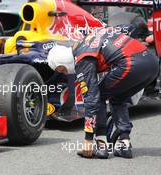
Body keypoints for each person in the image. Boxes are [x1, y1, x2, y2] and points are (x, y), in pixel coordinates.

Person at [47, 28, 159, 159]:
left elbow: (92, 99)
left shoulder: (82, 58)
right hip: (152, 63)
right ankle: (124, 144)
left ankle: (101, 145)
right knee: (118, 98)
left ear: (63, 61)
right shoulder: (86, 40)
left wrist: (88, 139)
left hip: (131, 64)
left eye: (61, 69)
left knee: (97, 95)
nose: (65, 73)